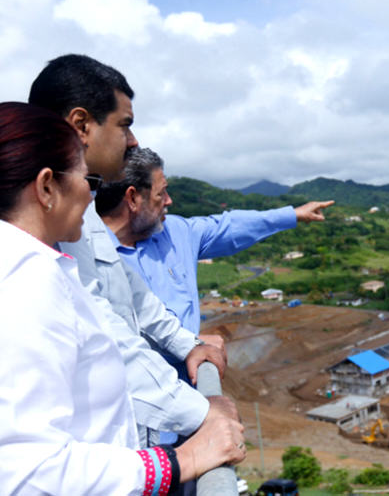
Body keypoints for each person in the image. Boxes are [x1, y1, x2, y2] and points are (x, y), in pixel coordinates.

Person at [0, 101, 246, 494]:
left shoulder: (39, 265)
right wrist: (181, 460)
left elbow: (132, 296)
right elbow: (25, 470)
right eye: (88, 181)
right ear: (47, 187)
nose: (91, 198)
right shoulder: (25, 283)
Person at [28, 54, 235, 447]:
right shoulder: (38, 224)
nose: (134, 141)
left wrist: (188, 344)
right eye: (125, 125)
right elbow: (103, 329)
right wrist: (200, 412)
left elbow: (132, 294)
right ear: (81, 125)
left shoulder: (83, 211)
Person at [95, 146, 333, 443]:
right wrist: (190, 341)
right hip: (135, 432)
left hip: (192, 416)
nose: (169, 201)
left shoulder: (174, 233)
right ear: (132, 198)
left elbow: (227, 226)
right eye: (161, 194)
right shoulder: (87, 257)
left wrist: (291, 215)